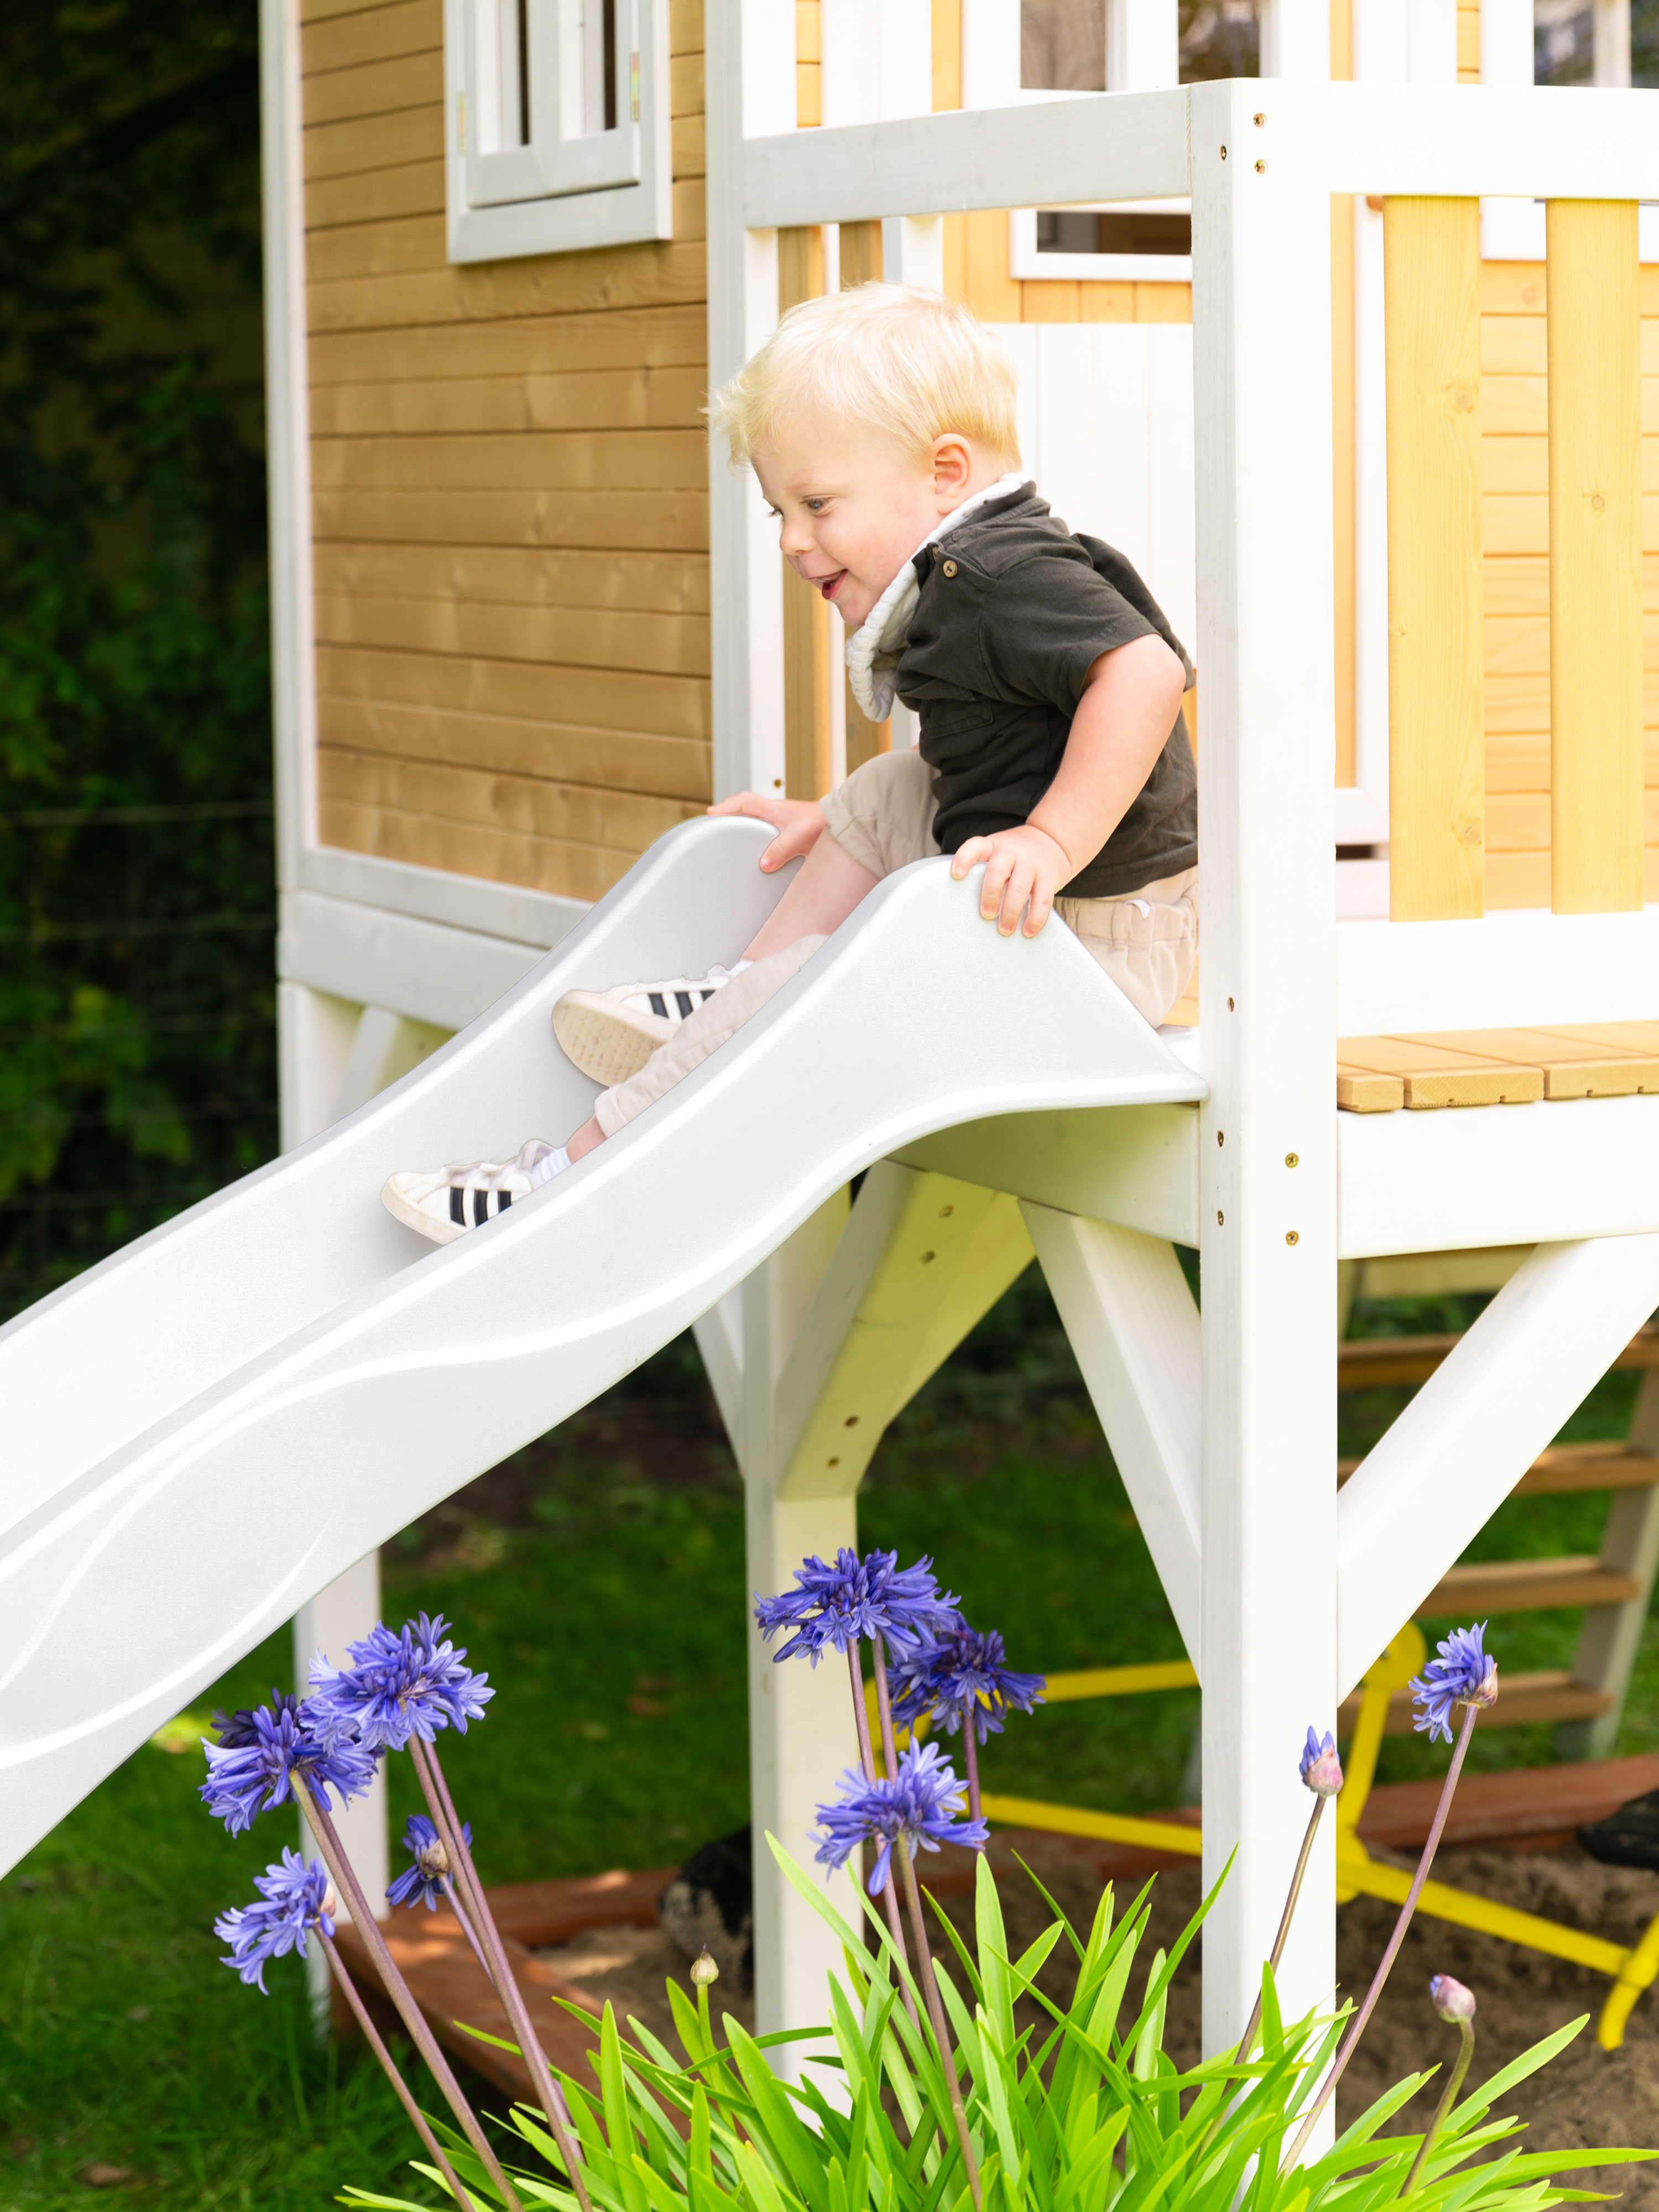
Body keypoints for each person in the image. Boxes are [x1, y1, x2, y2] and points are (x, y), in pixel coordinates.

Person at [383, 284, 1197, 1244]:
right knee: (889, 788)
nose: (792, 540)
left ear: (944, 473)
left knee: (809, 987)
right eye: (779, 510)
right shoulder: (973, 566)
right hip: (1056, 914)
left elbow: (1145, 671)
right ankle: (738, 983)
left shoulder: (1002, 573)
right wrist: (845, 833)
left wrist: (1052, 842)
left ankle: (569, 1177)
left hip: (1097, 947)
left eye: (816, 504)